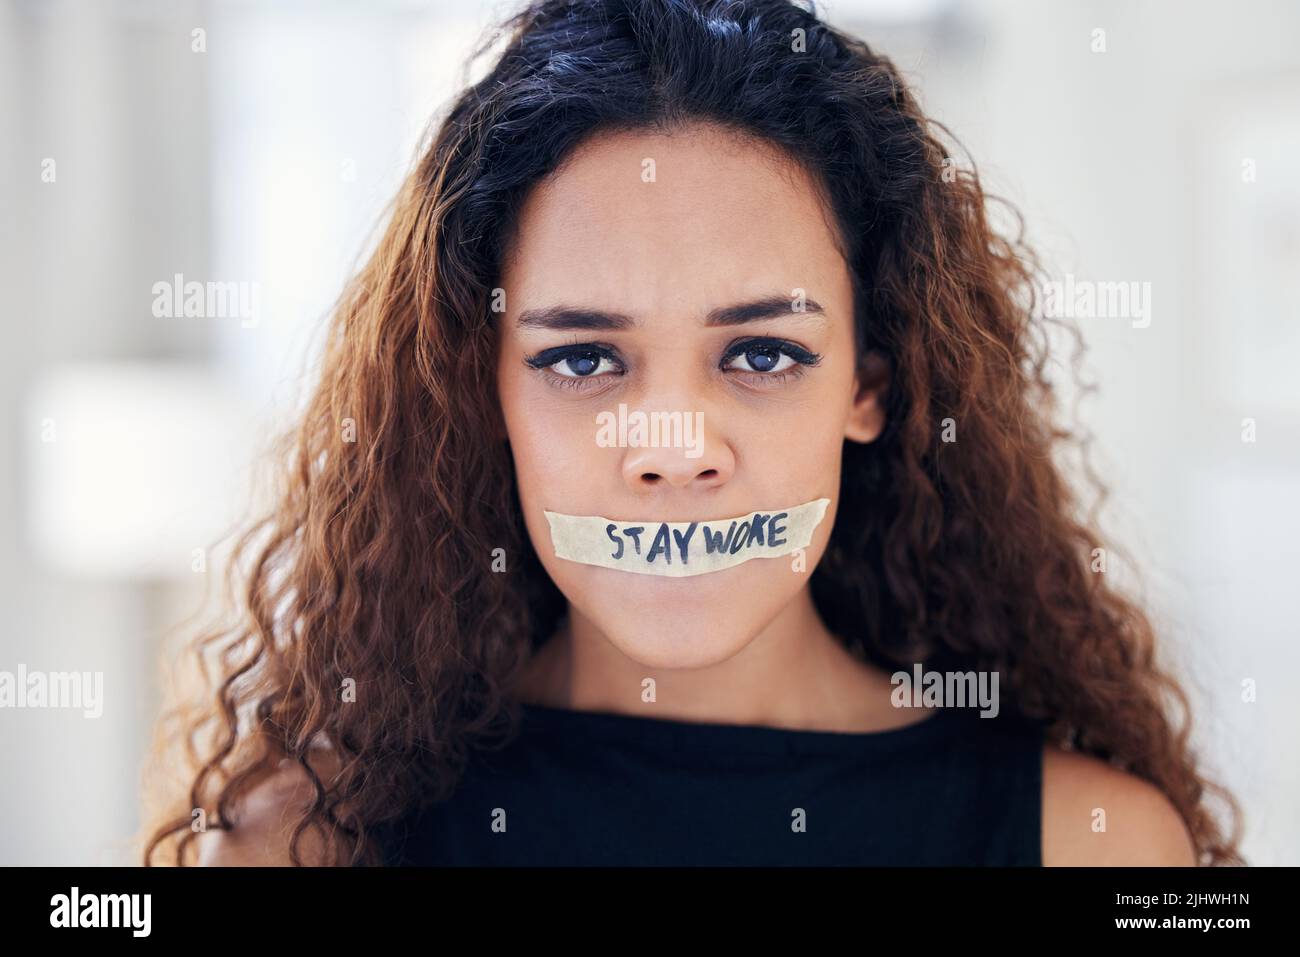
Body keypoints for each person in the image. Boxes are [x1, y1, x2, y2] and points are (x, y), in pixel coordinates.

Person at [141, 0, 1241, 867]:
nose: (673, 446)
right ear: (483, 392)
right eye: (582, 359)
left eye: (761, 354)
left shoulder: (1091, 844)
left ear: (869, 384)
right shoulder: (300, 843)